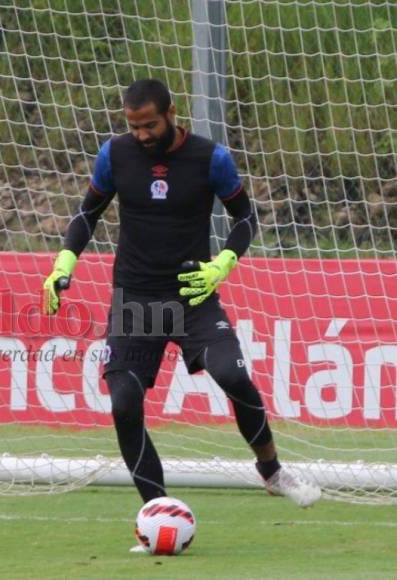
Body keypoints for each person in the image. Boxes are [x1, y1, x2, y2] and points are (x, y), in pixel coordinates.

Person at [42, 79, 321, 516]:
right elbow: (87, 212)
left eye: (150, 124)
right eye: (134, 126)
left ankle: (271, 471)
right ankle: (159, 512)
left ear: (172, 113)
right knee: (124, 402)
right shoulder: (114, 154)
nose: (142, 135)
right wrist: (64, 263)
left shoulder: (211, 158)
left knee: (232, 375)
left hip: (193, 297)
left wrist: (224, 261)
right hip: (136, 301)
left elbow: (245, 216)